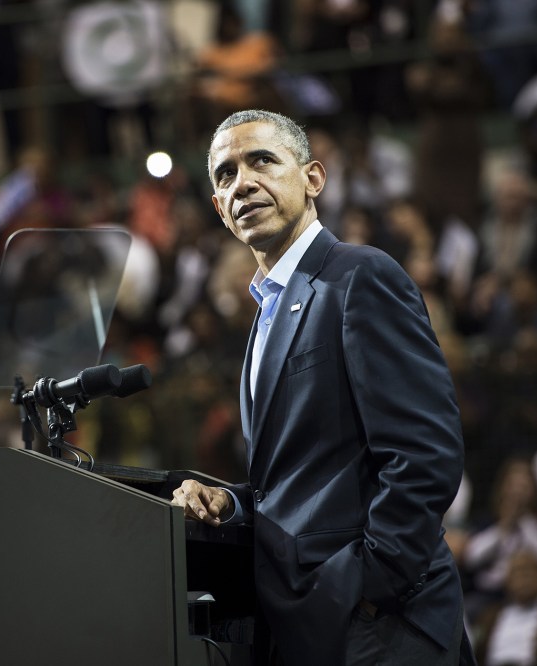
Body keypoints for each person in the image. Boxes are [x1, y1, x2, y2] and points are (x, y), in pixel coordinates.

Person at [171, 109, 472, 665]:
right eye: (225, 174)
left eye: (262, 160)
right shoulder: (265, 312)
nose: (243, 182)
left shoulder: (361, 275)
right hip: (311, 629)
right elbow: (298, 478)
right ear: (219, 209)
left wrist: (368, 590)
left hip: (379, 630)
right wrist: (232, 503)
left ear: (313, 179)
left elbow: (425, 454)